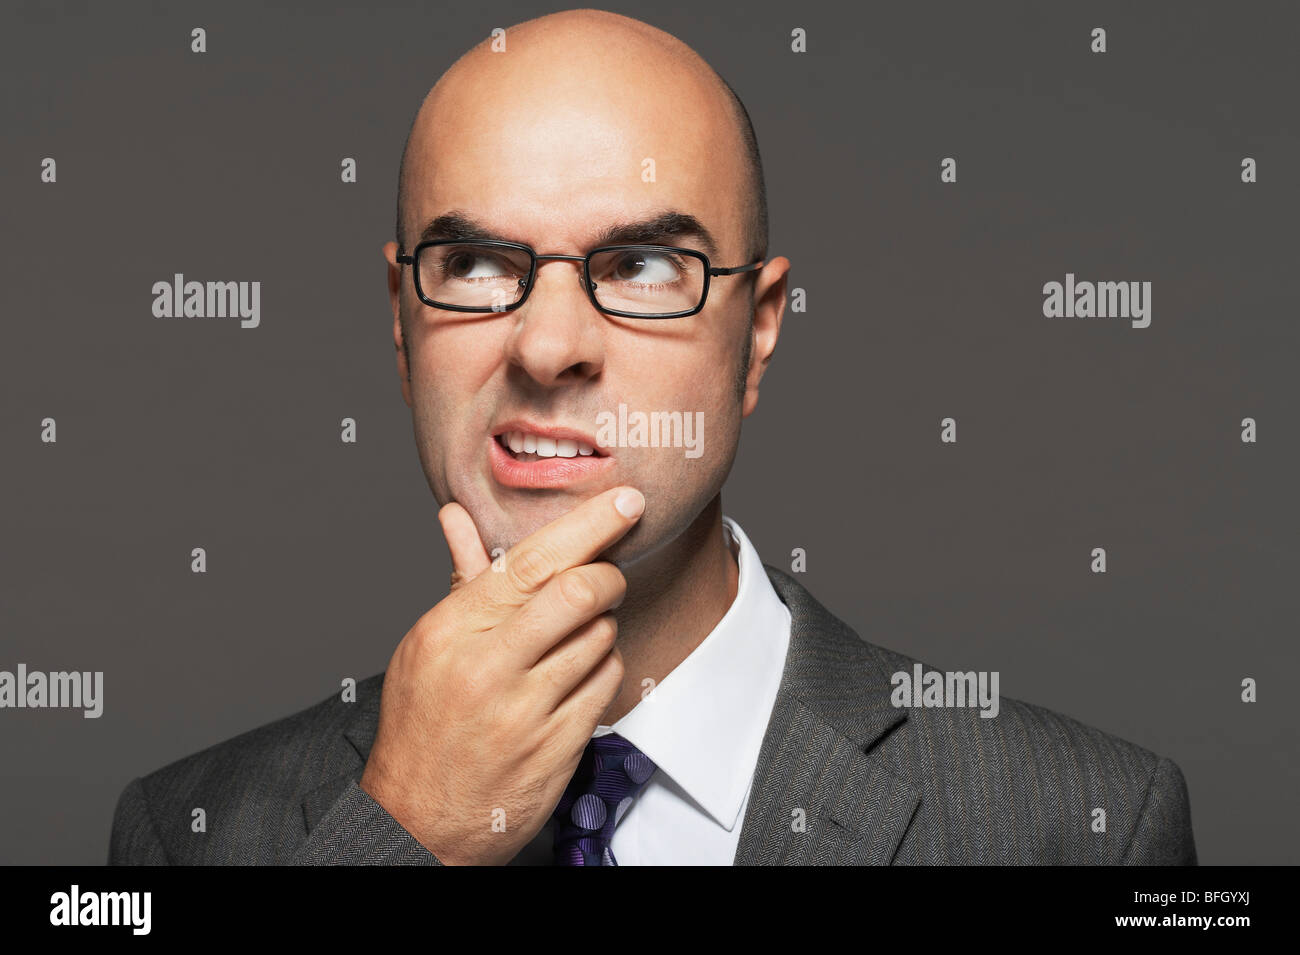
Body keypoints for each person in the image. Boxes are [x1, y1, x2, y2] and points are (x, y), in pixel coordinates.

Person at [109, 8, 1196, 865]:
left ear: (757, 333)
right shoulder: (184, 831)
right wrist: (400, 837)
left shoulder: (1081, 825)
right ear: (401, 321)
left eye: (638, 269)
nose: (547, 345)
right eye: (479, 266)